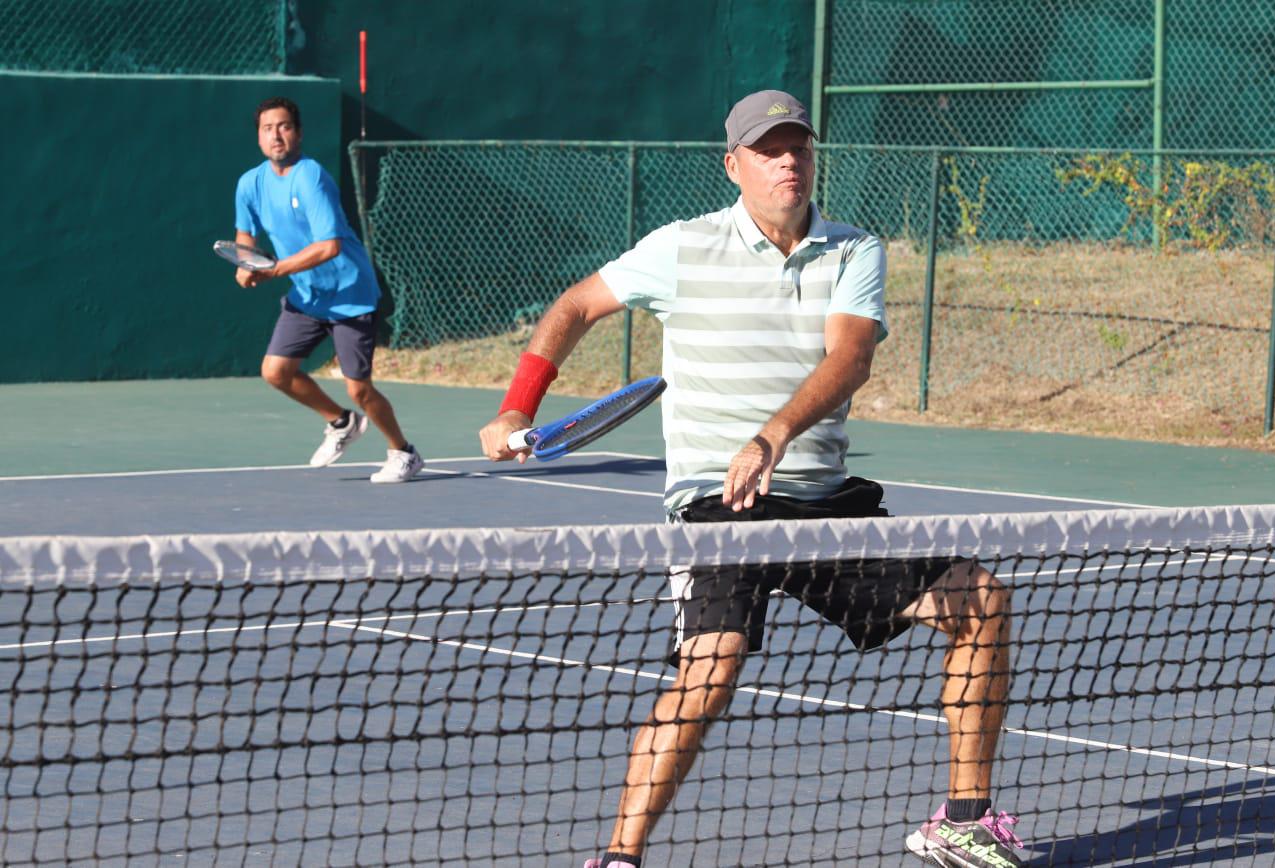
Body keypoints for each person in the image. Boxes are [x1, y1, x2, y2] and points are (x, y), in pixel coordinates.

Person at [478, 90, 1022, 867]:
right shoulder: (680, 248)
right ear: (734, 165)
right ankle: (620, 857)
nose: (789, 160)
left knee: (980, 601)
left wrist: (774, 434)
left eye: (798, 144)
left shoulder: (853, 249)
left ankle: (965, 820)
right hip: (714, 509)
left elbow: (850, 358)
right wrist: (514, 408)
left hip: (821, 506)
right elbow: (575, 306)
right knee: (714, 666)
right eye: (769, 149)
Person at [234, 96, 423, 483]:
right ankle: (340, 423)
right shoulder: (250, 184)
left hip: (350, 295)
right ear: (258, 137)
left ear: (298, 133)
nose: (276, 135)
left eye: (284, 126)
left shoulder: (311, 176)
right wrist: (247, 263)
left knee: (359, 390)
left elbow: (329, 246)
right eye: (268, 128)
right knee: (276, 371)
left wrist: (274, 271)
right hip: (307, 298)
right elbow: (245, 235)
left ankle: (403, 452)